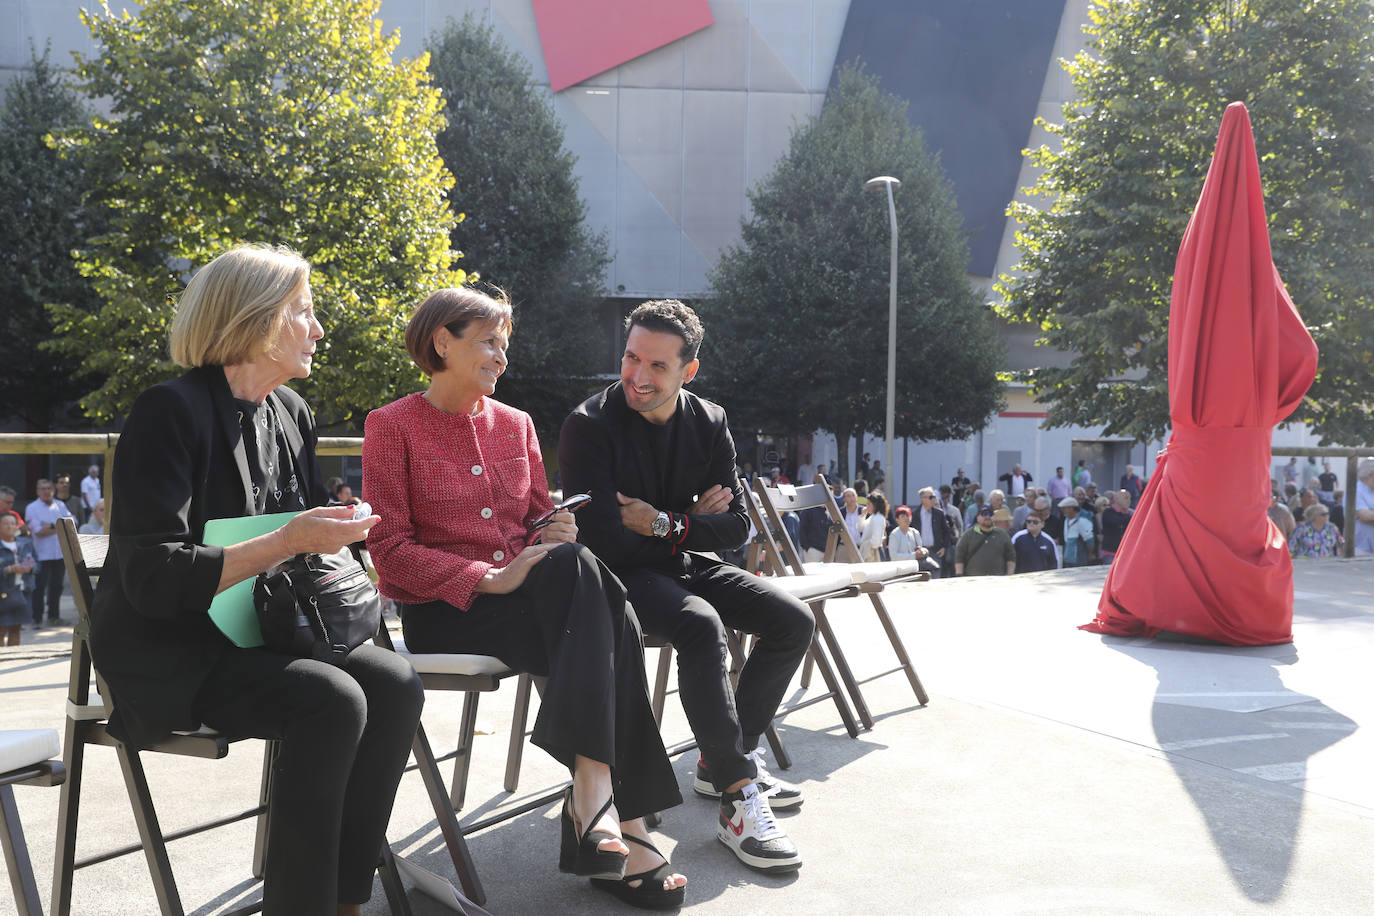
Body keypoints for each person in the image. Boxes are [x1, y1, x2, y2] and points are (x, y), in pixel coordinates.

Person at [89, 244, 423, 916]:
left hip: (260, 634)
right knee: (331, 699)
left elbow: (297, 547)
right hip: (171, 653)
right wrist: (292, 537)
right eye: (305, 311)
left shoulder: (290, 413)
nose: (319, 328)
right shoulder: (168, 412)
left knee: (394, 683)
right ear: (256, 320)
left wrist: (329, 529)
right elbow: (153, 576)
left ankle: (346, 899)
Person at [365, 288, 687, 906]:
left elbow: (539, 518)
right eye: (488, 342)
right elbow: (391, 552)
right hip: (446, 614)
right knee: (608, 609)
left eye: (503, 344)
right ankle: (621, 819)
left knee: (581, 572)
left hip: (536, 607)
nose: (501, 357)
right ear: (442, 342)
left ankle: (597, 799)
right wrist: (487, 577)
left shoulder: (515, 425)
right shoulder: (391, 425)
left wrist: (553, 530)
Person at [560, 299, 810, 876]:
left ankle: (721, 759)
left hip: (678, 556)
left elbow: (737, 525)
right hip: (619, 578)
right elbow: (607, 543)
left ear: (688, 372)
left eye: (657, 366)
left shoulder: (709, 420)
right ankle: (738, 796)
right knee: (700, 623)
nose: (637, 377)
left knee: (792, 620)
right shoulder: (588, 426)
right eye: (630, 358)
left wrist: (667, 521)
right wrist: (691, 518)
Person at [25, 478, 72, 628]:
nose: (46, 491)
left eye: (48, 488)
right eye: (43, 488)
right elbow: (38, 532)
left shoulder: (60, 505)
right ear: (38, 491)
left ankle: (54, 616)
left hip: (59, 553)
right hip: (41, 555)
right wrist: (58, 525)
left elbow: (72, 524)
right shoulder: (31, 508)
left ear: (53, 490)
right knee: (39, 587)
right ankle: (36, 618)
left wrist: (50, 526)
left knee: (57, 587)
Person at [0, 512, 35, 646]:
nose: (9, 526)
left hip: (22, 591)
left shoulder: (25, 543)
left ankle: (13, 660)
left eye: (12, 523)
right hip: (3, 592)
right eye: (5, 523)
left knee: (16, 629)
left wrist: (30, 567)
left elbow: (36, 562)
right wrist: (9, 569)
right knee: (1, 629)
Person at [953, 505, 1014, 576]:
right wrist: (959, 575)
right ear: (977, 518)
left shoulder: (1003, 534)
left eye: (990, 514)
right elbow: (959, 556)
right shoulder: (968, 535)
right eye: (984, 514)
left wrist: (1009, 575)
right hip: (973, 581)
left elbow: (1011, 556)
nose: (987, 517)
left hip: (998, 581)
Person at [916, 487, 954, 576]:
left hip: (936, 551)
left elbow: (947, 531)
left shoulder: (939, 513)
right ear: (923, 499)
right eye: (931, 497)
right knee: (921, 578)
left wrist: (944, 547)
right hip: (920, 552)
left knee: (936, 577)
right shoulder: (915, 514)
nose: (934, 499)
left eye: (934, 497)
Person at [1058, 497, 1096, 567]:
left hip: (1079, 560)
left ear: (1071, 508)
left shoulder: (1082, 521)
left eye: (1064, 508)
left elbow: (1089, 541)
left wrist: (1090, 555)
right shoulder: (1066, 520)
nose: (1062, 510)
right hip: (1068, 559)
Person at [1099, 490, 1133, 566]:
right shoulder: (1108, 512)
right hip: (1111, 554)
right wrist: (1131, 516)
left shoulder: (1131, 513)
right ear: (1117, 499)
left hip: (1127, 553)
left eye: (1130, 498)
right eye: (1126, 498)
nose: (1129, 501)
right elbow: (1116, 521)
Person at [858, 491, 888, 562]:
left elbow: (875, 542)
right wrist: (863, 515)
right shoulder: (873, 517)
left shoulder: (878, 518)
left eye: (869, 504)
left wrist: (865, 545)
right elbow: (860, 528)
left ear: (875, 505)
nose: (867, 506)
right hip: (871, 552)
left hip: (874, 554)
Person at [1354, 459, 1374, 556]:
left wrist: (1370, 514)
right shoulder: (1355, 491)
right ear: (1372, 475)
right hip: (1362, 549)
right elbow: (1365, 516)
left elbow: (1368, 517)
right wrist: (1367, 517)